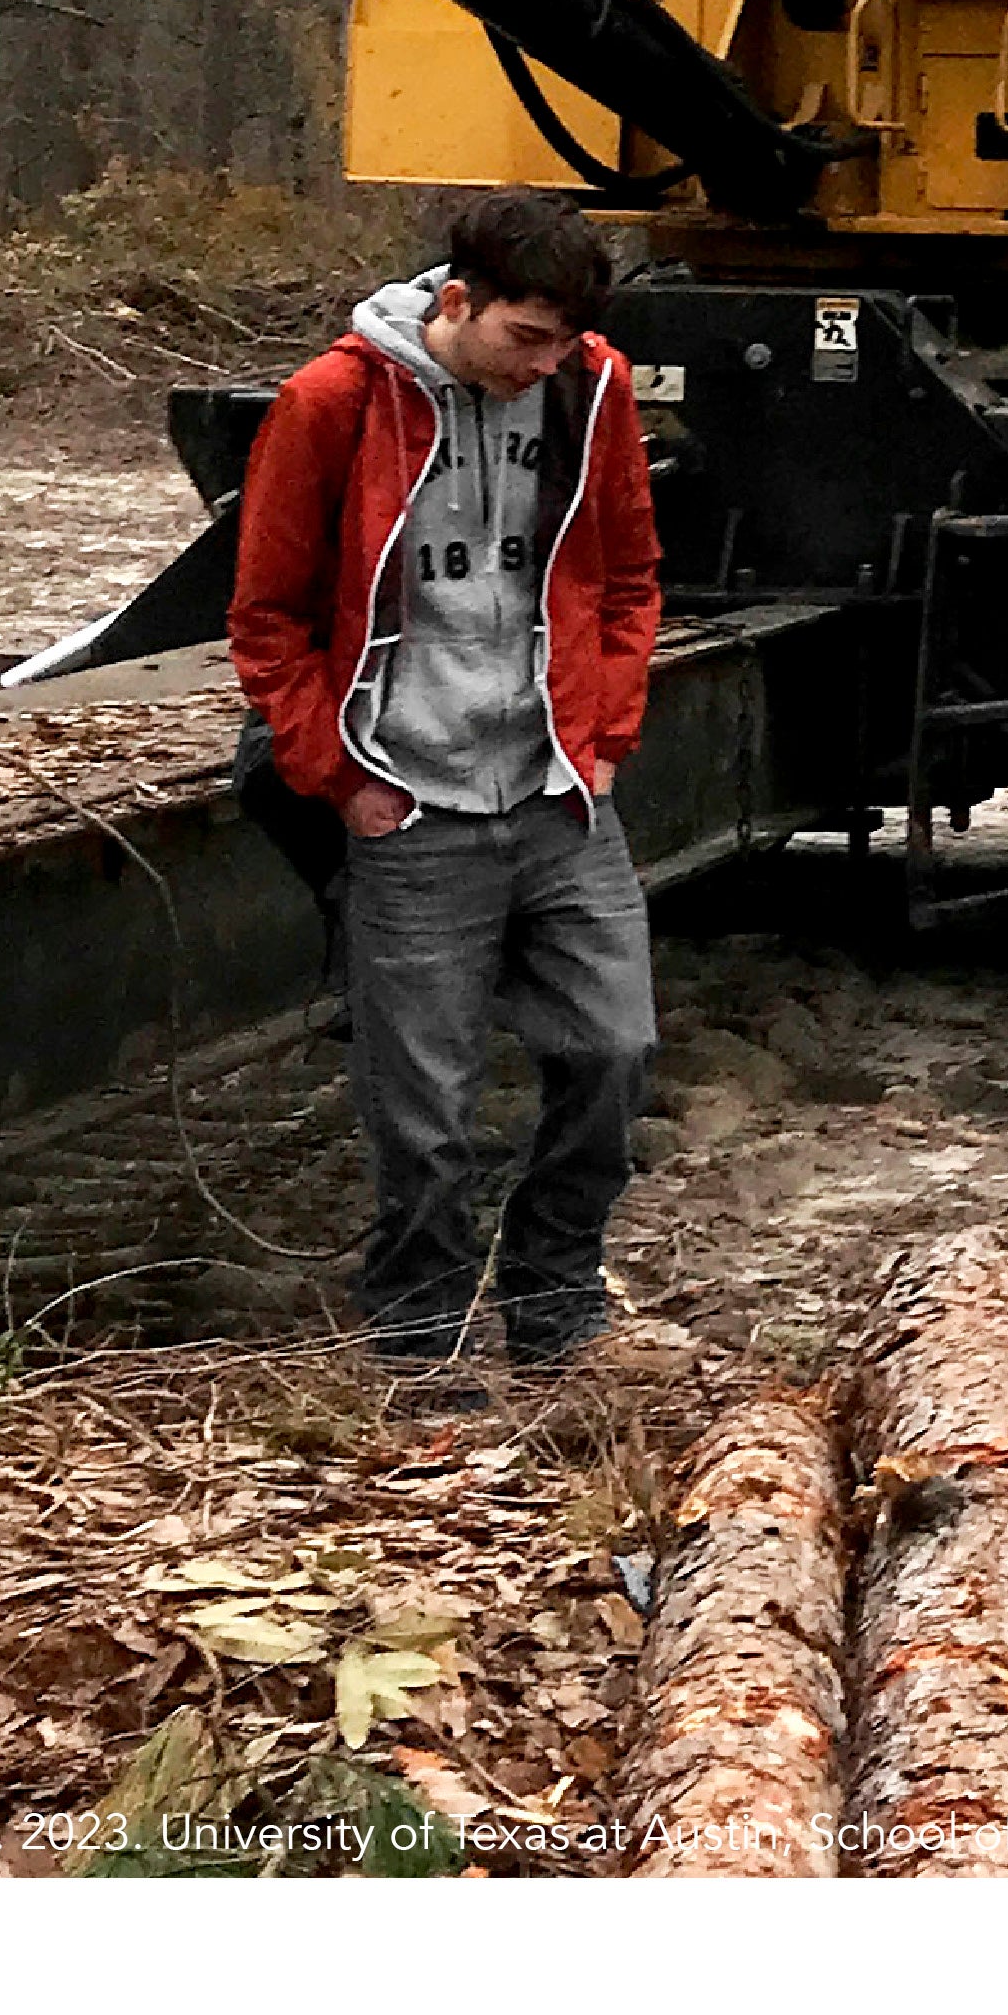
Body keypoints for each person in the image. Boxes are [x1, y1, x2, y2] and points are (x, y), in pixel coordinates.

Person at [227, 190, 667, 1377]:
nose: (542, 365)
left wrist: (605, 734)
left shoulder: (590, 387)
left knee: (613, 1049)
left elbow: (628, 572)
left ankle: (554, 1296)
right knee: (422, 1103)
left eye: (563, 345)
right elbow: (265, 615)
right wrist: (338, 772)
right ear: (457, 302)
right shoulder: (333, 401)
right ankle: (419, 1330)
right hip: (408, 793)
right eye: (525, 338)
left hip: (557, 788)